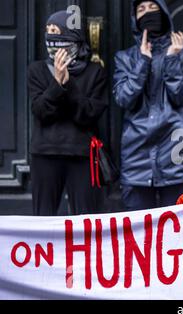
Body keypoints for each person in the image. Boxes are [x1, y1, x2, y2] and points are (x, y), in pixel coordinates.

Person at [113, 0, 183, 211]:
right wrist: (143, 62)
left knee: (178, 226)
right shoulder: (125, 58)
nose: (147, 13)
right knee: (138, 229)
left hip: (176, 150)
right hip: (137, 152)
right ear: (135, 19)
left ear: (163, 13)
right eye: (141, 10)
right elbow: (124, 99)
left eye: (152, 7)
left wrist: (172, 60)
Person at [27, 11, 108, 216]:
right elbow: (40, 111)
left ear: (71, 36)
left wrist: (68, 83)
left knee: (85, 220)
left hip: (81, 155)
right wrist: (56, 84)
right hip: (45, 153)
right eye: (47, 32)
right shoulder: (36, 70)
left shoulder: (95, 72)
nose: (50, 38)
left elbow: (88, 114)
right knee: (42, 219)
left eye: (55, 32)